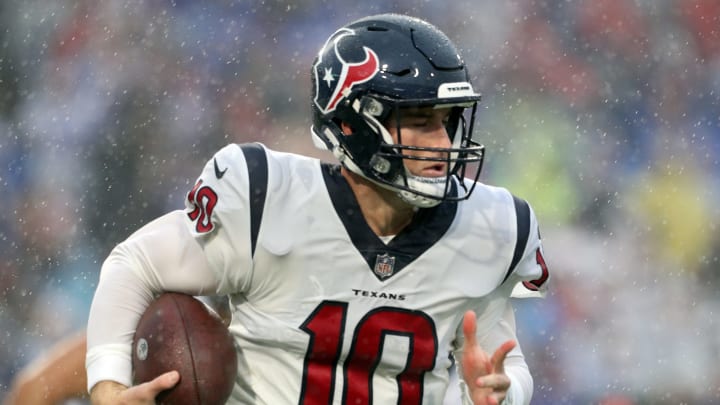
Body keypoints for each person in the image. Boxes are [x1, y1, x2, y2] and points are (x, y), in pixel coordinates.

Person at [85, 13, 549, 405]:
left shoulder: (492, 227)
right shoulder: (264, 198)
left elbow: (503, 363)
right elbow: (135, 265)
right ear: (351, 124)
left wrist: (500, 393)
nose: (443, 145)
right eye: (421, 123)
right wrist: (108, 388)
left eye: (447, 123)